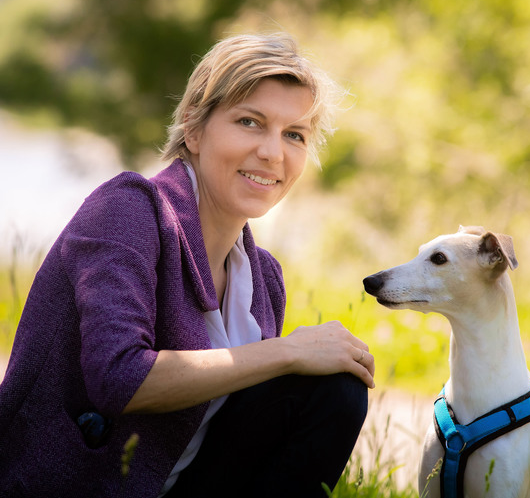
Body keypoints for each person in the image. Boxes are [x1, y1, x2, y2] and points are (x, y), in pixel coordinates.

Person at [0, 33, 375, 498]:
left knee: (331, 389)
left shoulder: (263, 278)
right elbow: (119, 378)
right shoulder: (130, 210)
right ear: (194, 129)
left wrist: (297, 363)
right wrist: (285, 352)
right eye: (250, 122)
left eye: (294, 135)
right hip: (67, 486)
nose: (273, 153)